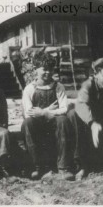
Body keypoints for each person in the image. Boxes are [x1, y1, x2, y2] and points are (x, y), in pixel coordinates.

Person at [21, 51, 74, 180]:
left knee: (63, 120)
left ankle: (63, 167)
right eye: (44, 69)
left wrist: (45, 112)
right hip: (37, 124)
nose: (48, 72)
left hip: (54, 123)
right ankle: (36, 167)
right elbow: (29, 112)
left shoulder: (58, 87)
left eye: (51, 69)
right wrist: (48, 110)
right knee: (27, 122)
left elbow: (64, 108)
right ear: (35, 70)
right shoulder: (29, 89)